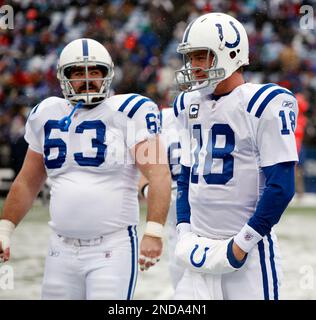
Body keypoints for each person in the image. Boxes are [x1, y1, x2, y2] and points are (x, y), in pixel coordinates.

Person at [0, 38, 171, 300]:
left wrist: (154, 232)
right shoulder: (46, 113)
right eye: (79, 72)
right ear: (64, 77)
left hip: (113, 248)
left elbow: (158, 173)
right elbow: (27, 181)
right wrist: (5, 229)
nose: (88, 79)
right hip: (60, 248)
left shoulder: (130, 111)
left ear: (108, 74)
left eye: (95, 72)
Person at [173, 13, 298, 300]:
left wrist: (243, 242)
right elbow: (185, 177)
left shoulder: (262, 103)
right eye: (190, 58)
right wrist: (183, 230)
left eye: (201, 56)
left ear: (230, 53)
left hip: (248, 256)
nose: (194, 66)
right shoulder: (189, 104)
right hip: (198, 252)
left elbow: (281, 187)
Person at [139, 103, 184, 288]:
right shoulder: (160, 119)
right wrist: (151, 191)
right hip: (177, 227)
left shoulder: (226, 109)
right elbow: (142, 172)